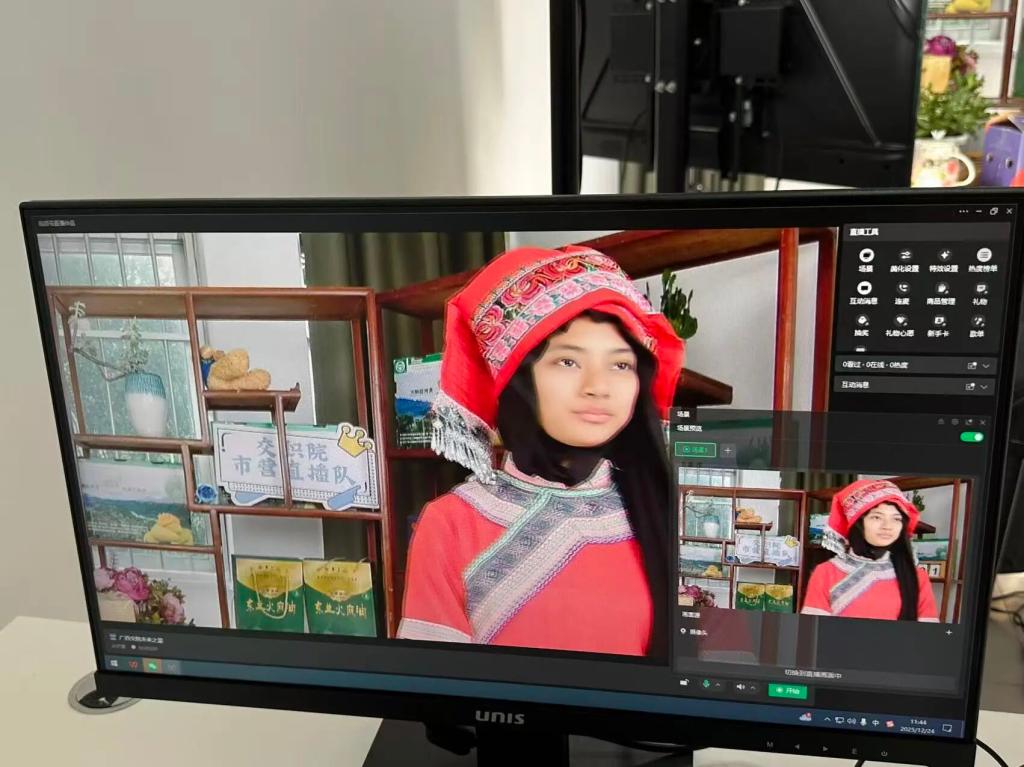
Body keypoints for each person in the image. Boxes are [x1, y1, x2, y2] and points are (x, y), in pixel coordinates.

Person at [397, 245, 685, 657]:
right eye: (568, 362)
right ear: (519, 380)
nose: (598, 386)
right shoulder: (452, 524)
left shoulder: (665, 511)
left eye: (621, 365)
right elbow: (435, 685)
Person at [800, 478, 938, 622]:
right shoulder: (825, 573)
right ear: (858, 522)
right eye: (877, 517)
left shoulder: (917, 576)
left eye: (896, 519)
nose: (888, 526)